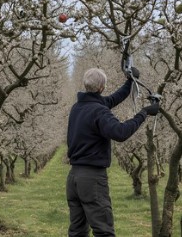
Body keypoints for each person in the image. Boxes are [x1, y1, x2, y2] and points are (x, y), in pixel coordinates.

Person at [66, 67, 159, 237]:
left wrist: (130, 82)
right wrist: (143, 113)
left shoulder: (78, 107)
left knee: (77, 231)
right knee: (104, 231)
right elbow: (120, 132)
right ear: (101, 88)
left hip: (74, 178)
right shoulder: (99, 111)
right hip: (92, 179)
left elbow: (110, 100)